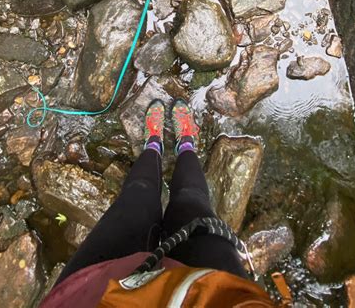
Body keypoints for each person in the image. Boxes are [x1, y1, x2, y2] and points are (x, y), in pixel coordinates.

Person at [40, 99, 277, 307]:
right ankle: (183, 144)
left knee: (136, 199)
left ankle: (154, 143)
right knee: (191, 201)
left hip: (94, 295)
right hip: (220, 293)